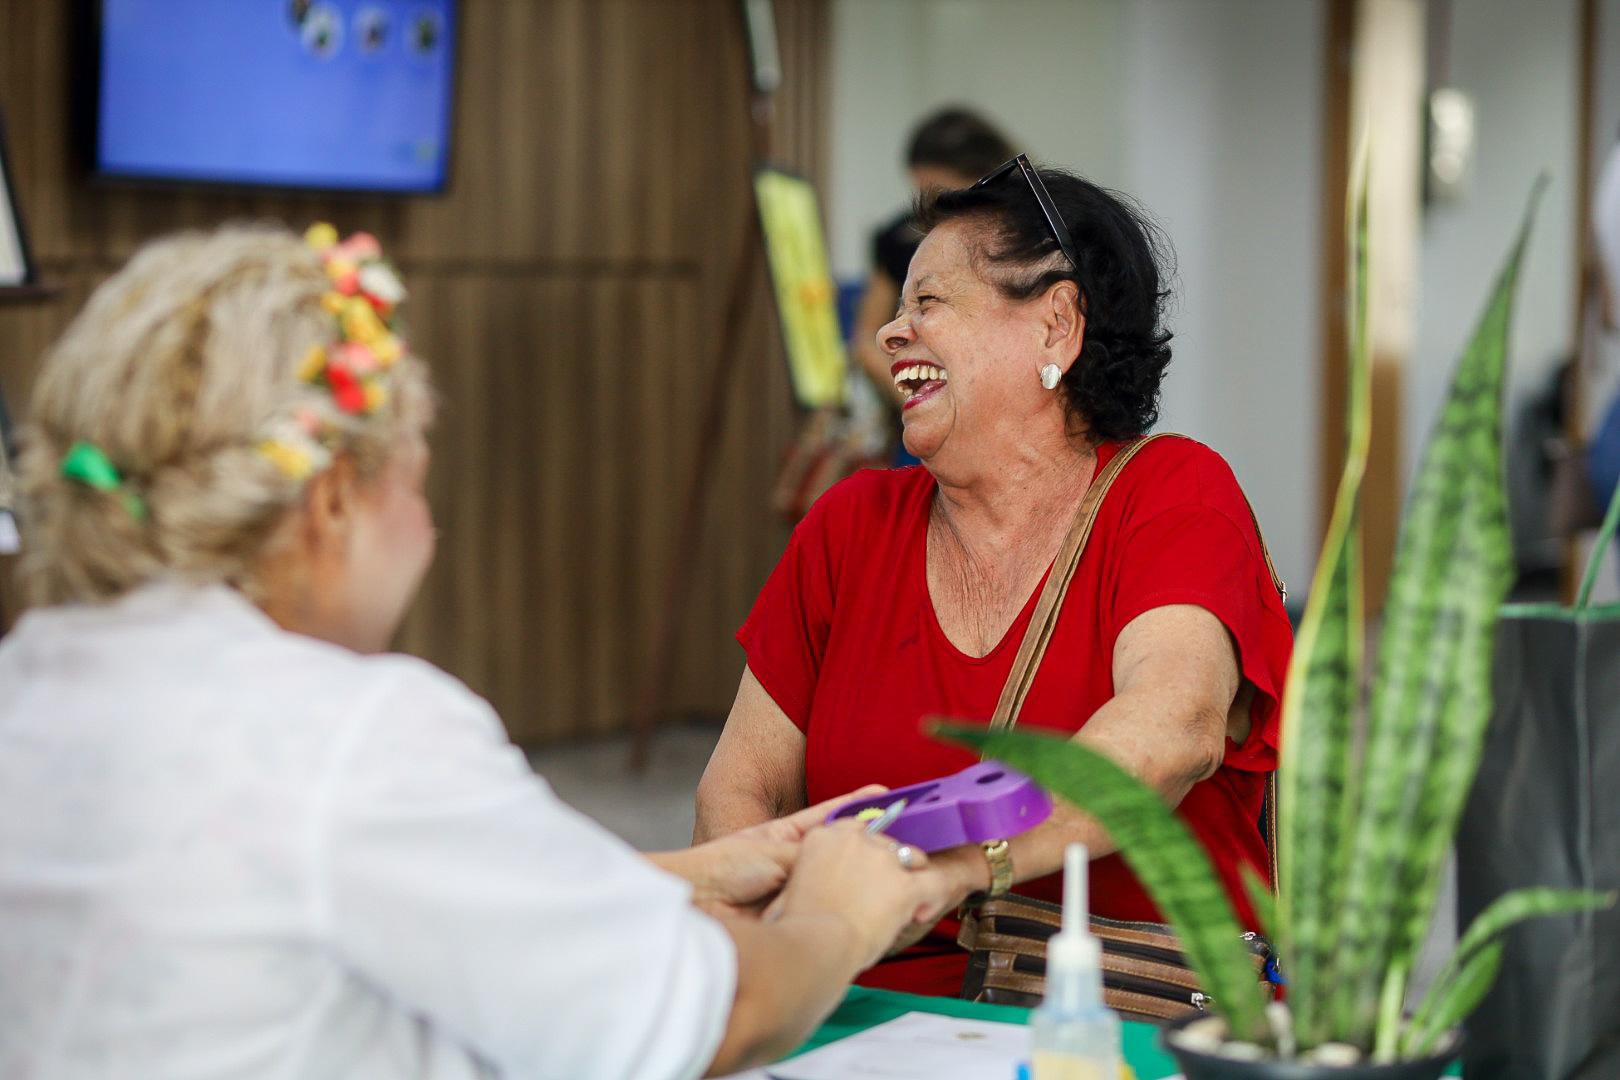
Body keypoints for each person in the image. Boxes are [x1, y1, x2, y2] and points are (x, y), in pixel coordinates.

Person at [0, 224, 953, 1079]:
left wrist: (662, 880)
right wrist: (841, 912)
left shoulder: (33, 682)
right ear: (332, 501)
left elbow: (277, 887)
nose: (430, 529)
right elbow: (716, 1017)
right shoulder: (353, 732)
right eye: (414, 486)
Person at [695, 160, 1293, 997]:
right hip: (863, 1016)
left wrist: (953, 867)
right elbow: (740, 785)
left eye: (928, 302)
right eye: (898, 308)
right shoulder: (849, 526)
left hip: (1113, 1019)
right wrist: (770, 949)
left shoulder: (1173, 495)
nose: (890, 334)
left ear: (1056, 326)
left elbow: (1171, 730)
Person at [850, 108, 1014, 463]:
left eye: (944, 192)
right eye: (921, 193)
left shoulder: (1025, 240)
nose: (933, 210)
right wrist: (924, 402)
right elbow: (867, 343)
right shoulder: (898, 237)